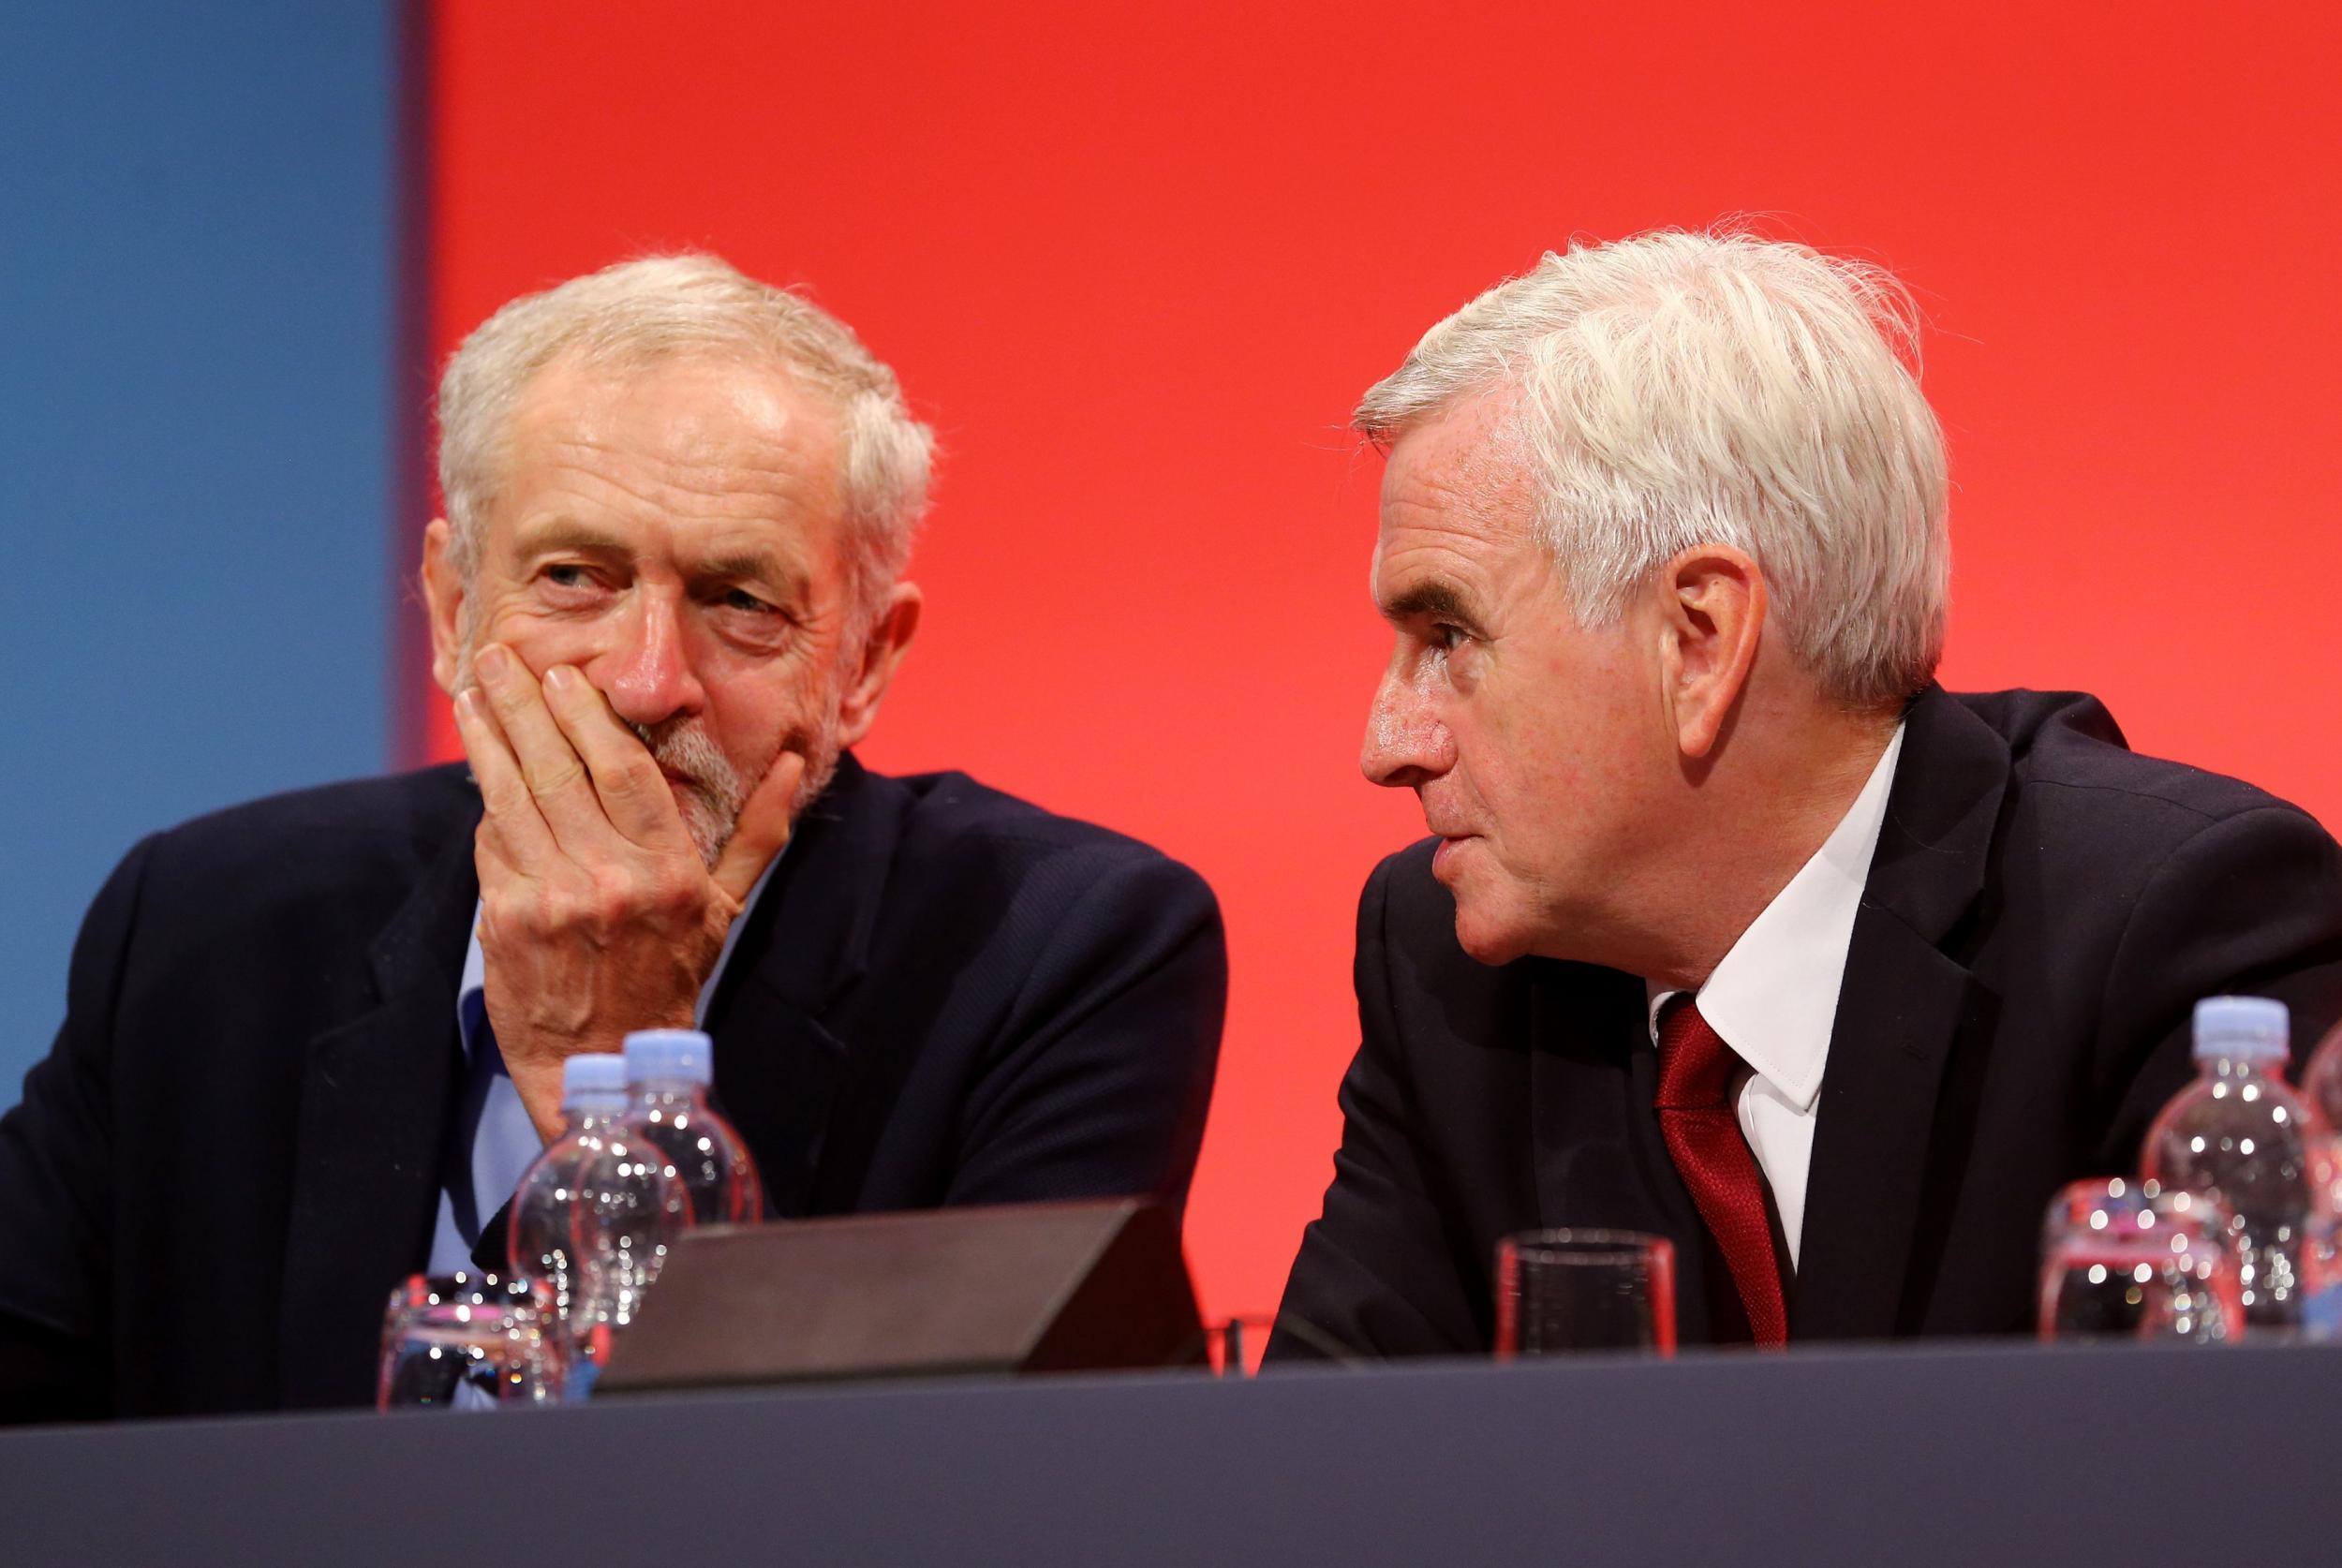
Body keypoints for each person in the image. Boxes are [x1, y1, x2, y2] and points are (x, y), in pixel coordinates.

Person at [0, 255, 1225, 1419]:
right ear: (450, 607)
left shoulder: (1059, 957)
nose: (646, 682)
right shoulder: (207, 928)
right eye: (575, 577)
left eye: (740, 600)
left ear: (863, 663)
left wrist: (616, 1079)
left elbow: (965, 1503)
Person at [1268, 229, 2342, 1360]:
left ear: (1700, 638)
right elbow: (1313, 1482)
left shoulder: (2172, 930)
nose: (1387, 745)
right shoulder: (1443, 965)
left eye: (1448, 636)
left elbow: (2238, 1492)